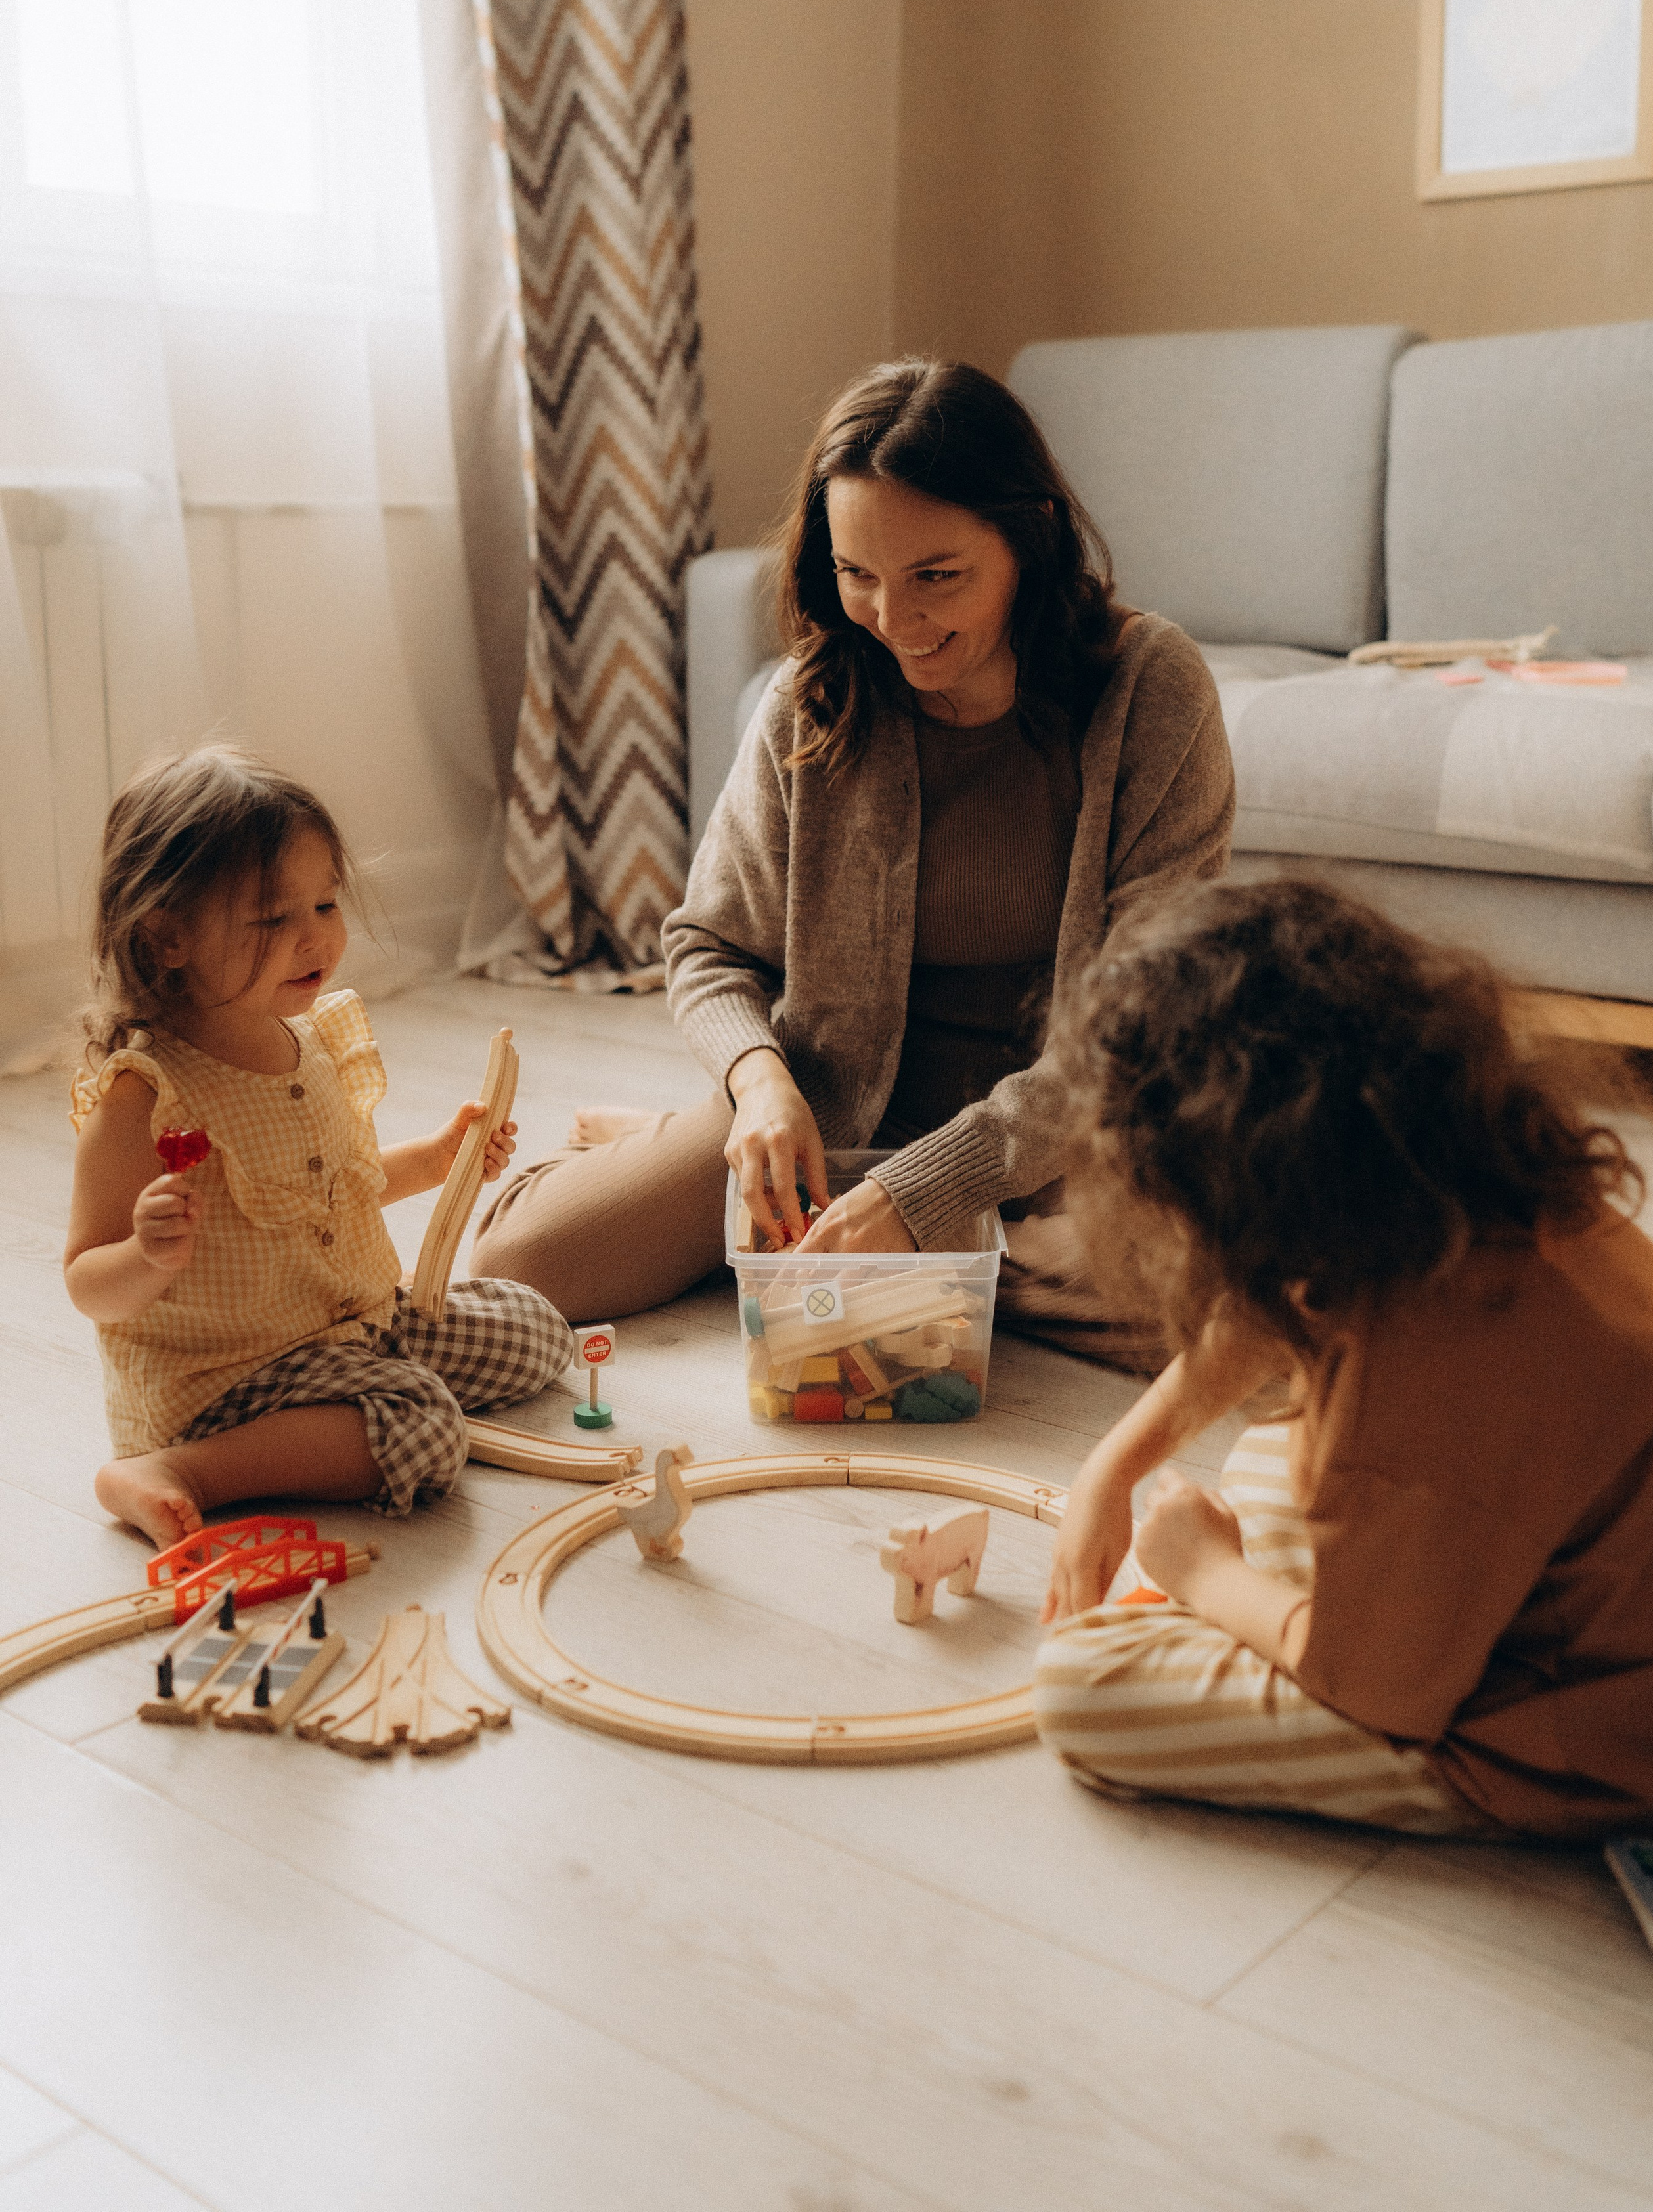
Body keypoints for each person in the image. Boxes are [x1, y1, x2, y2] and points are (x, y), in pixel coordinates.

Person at [474, 357, 1235, 1356]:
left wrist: (931, 1188)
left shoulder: (1150, 689)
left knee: (1218, 1300)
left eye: (937, 576)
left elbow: (1140, 1031)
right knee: (512, 1269)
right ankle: (838, 1237)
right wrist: (758, 1084)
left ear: (1032, 532)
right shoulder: (814, 699)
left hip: (1061, 1135)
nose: (895, 620)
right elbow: (708, 946)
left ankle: (806, 1244)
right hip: (823, 1115)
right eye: (857, 574)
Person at [1034, 876, 1653, 1841]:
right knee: (1273, 1447)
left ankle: (1254, 1601)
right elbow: (1267, 1312)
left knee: (1081, 1692)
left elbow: (1376, 1691)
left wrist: (1206, 1575)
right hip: (1583, 1581)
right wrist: (1110, 1467)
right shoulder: (1441, 1188)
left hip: (1592, 1717)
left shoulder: (1434, 1375)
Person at [65, 747, 570, 1550]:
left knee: (535, 1327)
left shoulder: (311, 1044)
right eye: (273, 919)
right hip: (232, 1381)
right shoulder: (147, 1097)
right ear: (166, 938)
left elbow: (338, 1191)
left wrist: (438, 1160)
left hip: (354, 1325)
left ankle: (359, 1401)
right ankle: (183, 1470)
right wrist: (146, 1254)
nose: (315, 938)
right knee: (429, 1432)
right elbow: (88, 1281)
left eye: (326, 904)